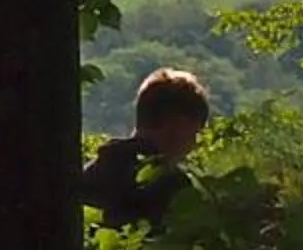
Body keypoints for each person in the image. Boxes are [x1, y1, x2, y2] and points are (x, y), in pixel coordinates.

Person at [81, 67, 213, 233]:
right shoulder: (171, 185)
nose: (193, 145)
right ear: (181, 126)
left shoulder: (93, 173)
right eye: (195, 133)